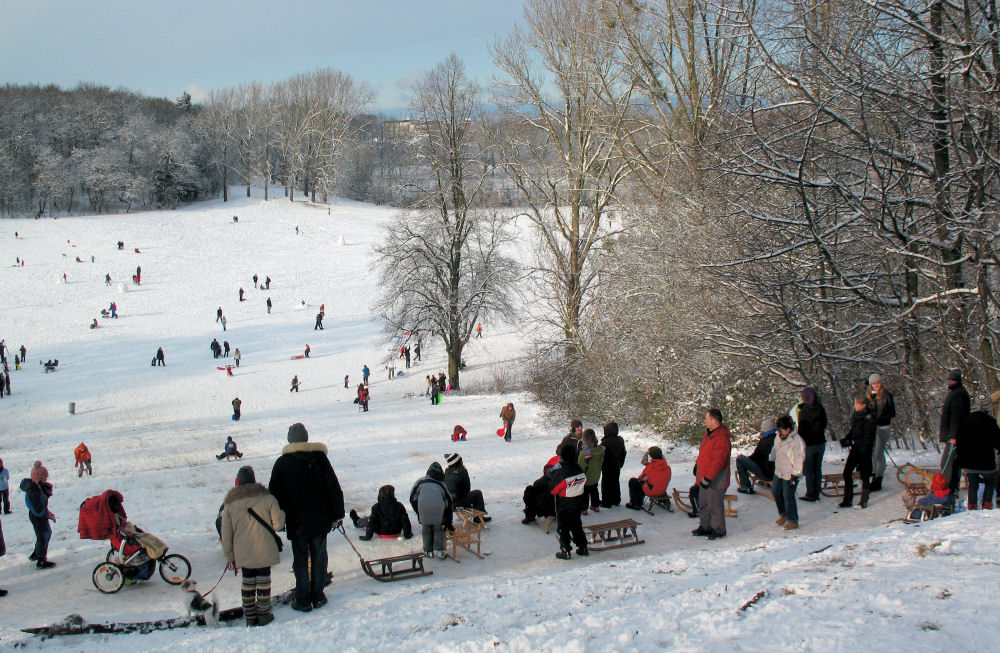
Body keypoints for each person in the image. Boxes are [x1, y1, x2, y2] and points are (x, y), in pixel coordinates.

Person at [269, 423, 345, 612]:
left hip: (297, 521)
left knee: (301, 560)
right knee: (319, 557)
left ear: (290, 440)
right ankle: (318, 596)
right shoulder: (319, 458)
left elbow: (275, 495)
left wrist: (279, 519)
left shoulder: (282, 463)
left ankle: (302, 599)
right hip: (320, 518)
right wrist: (337, 514)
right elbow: (333, 487)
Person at [220, 466, 285, 626]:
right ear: (254, 479)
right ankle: (263, 614)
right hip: (264, 548)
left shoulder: (229, 505)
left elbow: (226, 534)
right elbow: (278, 524)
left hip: (243, 551)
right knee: (264, 581)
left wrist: (230, 556)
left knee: (247, 582)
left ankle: (249, 615)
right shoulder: (268, 498)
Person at [693, 409, 732, 540]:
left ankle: (718, 529)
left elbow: (718, 461)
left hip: (716, 477)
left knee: (714, 504)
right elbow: (703, 453)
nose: (705, 421)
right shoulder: (708, 434)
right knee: (703, 502)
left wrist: (708, 477)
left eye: (707, 419)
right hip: (704, 474)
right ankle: (705, 526)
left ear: (714, 421)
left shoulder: (721, 438)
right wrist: (697, 465)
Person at [956, 396, 1000, 509]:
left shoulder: (965, 421)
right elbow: (998, 440)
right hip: (987, 462)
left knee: (973, 484)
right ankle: (986, 504)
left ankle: (972, 506)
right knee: (990, 482)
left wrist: (961, 459)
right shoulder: (990, 422)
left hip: (970, 462)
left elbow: (960, 442)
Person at [548, 445, 588, 560]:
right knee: (576, 525)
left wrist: (553, 477)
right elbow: (584, 480)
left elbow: (554, 489)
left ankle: (565, 549)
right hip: (578, 501)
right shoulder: (578, 468)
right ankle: (582, 546)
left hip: (566, 503)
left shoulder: (563, 472)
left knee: (563, 527)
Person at [839, 395, 877, 509]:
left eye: (857, 404)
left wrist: (855, 441)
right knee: (847, 472)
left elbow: (868, 437)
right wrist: (847, 438)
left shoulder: (869, 418)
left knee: (864, 475)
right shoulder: (856, 415)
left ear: (863, 405)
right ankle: (847, 499)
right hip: (856, 448)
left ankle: (863, 500)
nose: (855, 406)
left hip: (865, 449)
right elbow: (854, 430)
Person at [409, 462, 453, 559]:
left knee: (426, 530)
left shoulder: (420, 482)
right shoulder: (441, 484)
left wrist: (418, 511)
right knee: (438, 529)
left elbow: (412, 498)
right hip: (438, 512)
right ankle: (439, 550)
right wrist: (448, 518)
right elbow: (449, 500)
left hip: (423, 512)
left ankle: (428, 550)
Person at [771, 415, 806, 530]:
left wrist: (795, 475)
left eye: (781, 430)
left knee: (788, 495)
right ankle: (783, 514)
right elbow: (775, 449)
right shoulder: (778, 437)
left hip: (790, 473)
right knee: (776, 491)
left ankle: (793, 520)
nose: (779, 432)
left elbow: (799, 459)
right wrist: (771, 458)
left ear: (788, 429)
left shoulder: (797, 442)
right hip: (779, 470)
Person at [20, 461, 56, 568]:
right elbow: (39, 509)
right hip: (38, 517)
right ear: (39, 478)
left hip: (36, 516)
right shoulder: (34, 491)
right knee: (44, 536)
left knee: (42, 535)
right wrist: (47, 514)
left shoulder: (34, 486)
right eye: (45, 478)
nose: (46, 479)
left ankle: (36, 554)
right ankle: (41, 560)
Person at [940, 369, 970, 492]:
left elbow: (956, 417)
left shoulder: (958, 394)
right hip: (954, 435)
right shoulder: (957, 393)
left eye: (951, 379)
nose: (949, 381)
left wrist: (953, 436)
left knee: (947, 464)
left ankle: (948, 489)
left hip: (955, 436)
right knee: (952, 463)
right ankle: (952, 488)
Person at [796, 387, 828, 502]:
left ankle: (811, 493)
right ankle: (817, 491)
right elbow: (824, 424)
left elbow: (801, 431)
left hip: (809, 444)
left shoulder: (803, 412)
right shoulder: (820, 408)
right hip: (820, 442)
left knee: (809, 469)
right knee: (817, 468)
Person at [866, 373, 896, 491]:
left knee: (878, 453)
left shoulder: (887, 395)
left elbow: (891, 413)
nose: (876, 385)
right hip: (872, 428)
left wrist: (878, 419)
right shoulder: (869, 396)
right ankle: (874, 474)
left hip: (883, 427)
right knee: (873, 452)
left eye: (878, 383)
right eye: (874, 383)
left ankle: (878, 478)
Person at [443, 453, 490, 521]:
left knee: (463, 494)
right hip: (457, 503)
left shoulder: (447, 471)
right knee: (478, 493)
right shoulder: (462, 471)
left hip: (448, 503)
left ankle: (475, 514)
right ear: (458, 461)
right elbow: (467, 488)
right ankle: (478, 518)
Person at [735, 418, 777, 493]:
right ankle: (765, 483)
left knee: (740, 459)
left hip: (766, 473)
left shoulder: (765, 440)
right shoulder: (777, 438)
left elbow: (756, 456)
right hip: (775, 473)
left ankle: (745, 486)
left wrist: (747, 461)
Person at [521, 456, 560, 524]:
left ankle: (530, 515)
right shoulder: (574, 473)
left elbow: (536, 485)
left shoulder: (545, 481)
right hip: (567, 507)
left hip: (549, 509)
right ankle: (530, 511)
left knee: (529, 491)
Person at [599, 422, 627, 507]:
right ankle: (616, 499)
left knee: (606, 484)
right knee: (615, 482)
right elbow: (623, 452)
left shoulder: (605, 441)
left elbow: (601, 454)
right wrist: (621, 462)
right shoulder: (620, 440)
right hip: (616, 466)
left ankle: (606, 502)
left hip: (607, 466)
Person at [577, 429, 604, 513]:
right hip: (596, 475)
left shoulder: (585, 452)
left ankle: (584, 508)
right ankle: (595, 506)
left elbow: (581, 466)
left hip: (586, 477)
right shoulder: (600, 449)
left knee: (584, 493)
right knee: (594, 490)